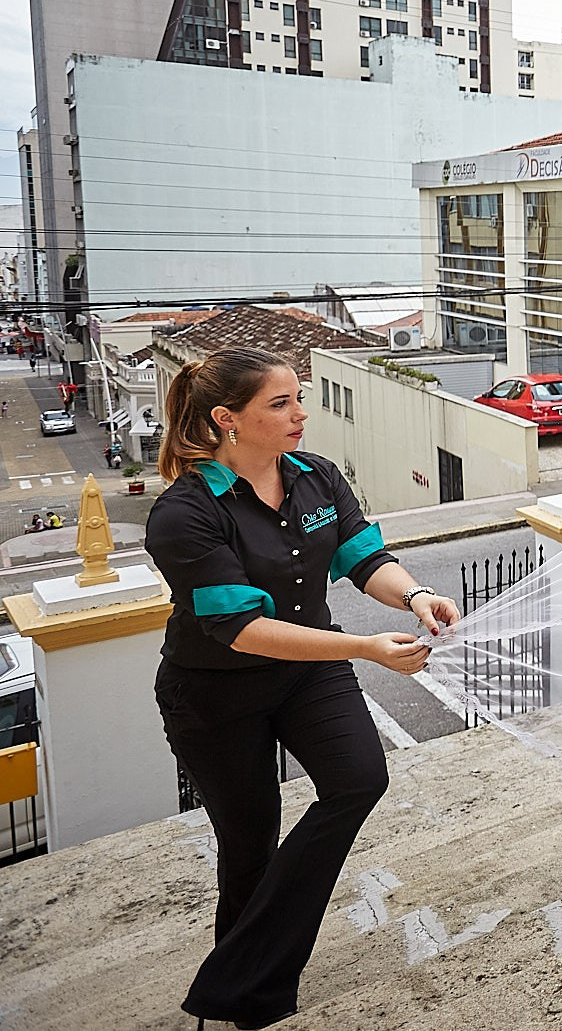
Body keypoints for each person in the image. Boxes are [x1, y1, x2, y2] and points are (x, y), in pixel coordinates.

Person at [146, 347, 460, 1029]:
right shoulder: (184, 513)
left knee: (358, 777)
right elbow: (242, 627)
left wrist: (416, 594)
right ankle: (247, 1000)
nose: (300, 415)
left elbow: (364, 557)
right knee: (250, 840)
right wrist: (364, 647)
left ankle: (232, 973)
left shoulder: (316, 476)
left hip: (308, 674)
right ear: (227, 418)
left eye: (300, 398)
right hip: (214, 694)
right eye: (280, 403)